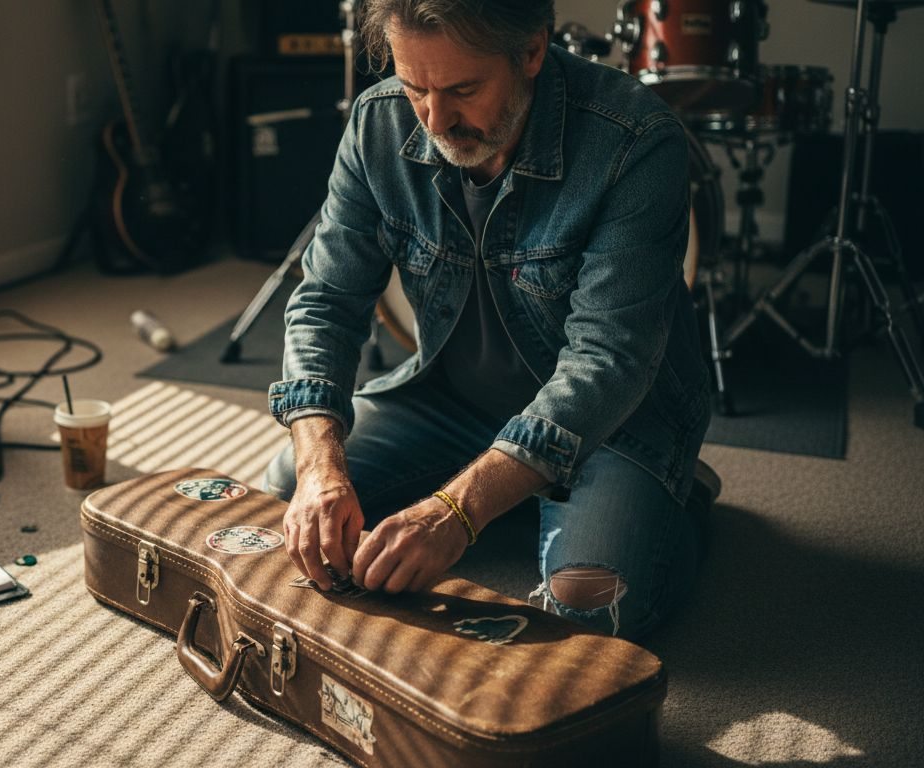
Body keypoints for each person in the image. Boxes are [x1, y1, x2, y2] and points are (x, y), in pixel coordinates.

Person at [262, 0, 719, 640]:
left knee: (588, 610)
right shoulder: (377, 123)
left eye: (463, 90)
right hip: (453, 405)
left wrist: (455, 511)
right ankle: (514, 496)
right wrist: (320, 465)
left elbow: (606, 362)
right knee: (293, 492)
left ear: (532, 51)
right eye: (415, 86)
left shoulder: (636, 141)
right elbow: (325, 303)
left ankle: (676, 496)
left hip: (612, 427)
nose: (434, 118)